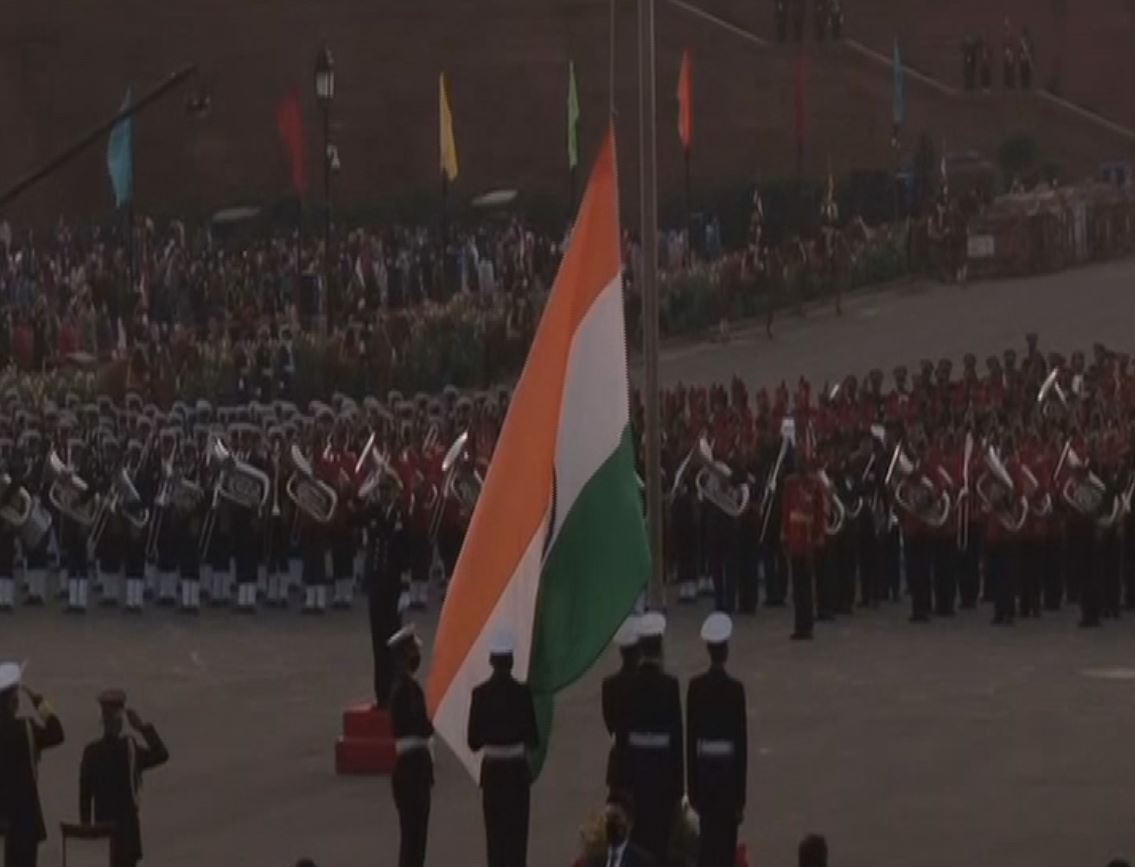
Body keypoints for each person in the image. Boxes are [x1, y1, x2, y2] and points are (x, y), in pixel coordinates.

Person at [467, 630, 539, 867]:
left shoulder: (480, 694)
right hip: (517, 772)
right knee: (517, 836)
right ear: (511, 661)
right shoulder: (522, 693)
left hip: (493, 772)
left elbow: (474, 741)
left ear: (491, 660)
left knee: (495, 837)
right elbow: (532, 738)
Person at [79, 689, 170, 867]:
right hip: (128, 838)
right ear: (121, 722)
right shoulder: (129, 750)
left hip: (104, 834)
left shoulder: (91, 752)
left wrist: (88, 833)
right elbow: (161, 754)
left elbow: (84, 797)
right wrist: (142, 727)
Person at [686, 613, 747, 867]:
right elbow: (741, 744)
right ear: (726, 651)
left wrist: (692, 790)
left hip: (705, 773)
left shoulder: (695, 687)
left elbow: (691, 740)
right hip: (729, 775)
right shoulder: (735, 689)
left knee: (707, 845)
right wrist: (740, 797)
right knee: (726, 845)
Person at [623, 612, 683, 867]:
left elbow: (623, 736)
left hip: (637, 767)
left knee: (640, 833)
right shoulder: (669, 684)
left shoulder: (630, 685)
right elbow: (676, 736)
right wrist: (679, 784)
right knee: (661, 836)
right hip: (662, 767)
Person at [0, 663, 64, 867]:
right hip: (26, 820)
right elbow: (57, 733)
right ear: (13, 701)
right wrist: (39, 703)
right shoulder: (26, 729)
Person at [388, 625, 433, 867]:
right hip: (412, 768)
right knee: (413, 838)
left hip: (413, 767)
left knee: (415, 837)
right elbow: (418, 725)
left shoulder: (405, 687)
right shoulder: (406, 690)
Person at [601, 616, 640, 795]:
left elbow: (609, 722)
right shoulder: (648, 684)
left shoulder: (609, 684)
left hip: (619, 758)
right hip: (643, 757)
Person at [582, 790, 655, 867]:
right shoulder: (595, 860)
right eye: (608, 817)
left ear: (629, 823)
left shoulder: (643, 862)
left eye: (616, 818)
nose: (610, 823)